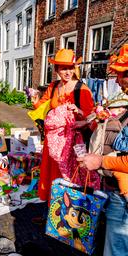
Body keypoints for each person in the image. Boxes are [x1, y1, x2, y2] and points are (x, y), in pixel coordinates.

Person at [77, 44, 128, 256]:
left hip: (123, 193)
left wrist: (101, 161)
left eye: (122, 75)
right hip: (116, 188)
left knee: (116, 248)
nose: (117, 80)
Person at [31, 49, 95, 205]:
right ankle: (52, 210)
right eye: (63, 68)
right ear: (57, 69)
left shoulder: (82, 89)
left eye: (70, 67)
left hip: (71, 143)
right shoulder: (53, 86)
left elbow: (92, 117)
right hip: (52, 143)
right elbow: (44, 106)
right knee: (51, 175)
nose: (68, 72)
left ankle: (67, 213)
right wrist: (35, 101)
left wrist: (79, 112)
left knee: (69, 177)